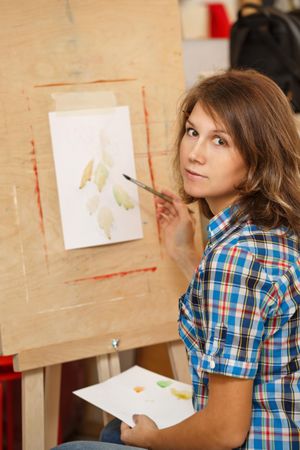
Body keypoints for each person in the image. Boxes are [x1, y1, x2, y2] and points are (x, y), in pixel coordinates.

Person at [52, 69, 300, 450]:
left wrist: (154, 439)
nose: (195, 153)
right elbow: (246, 313)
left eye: (220, 140)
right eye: (192, 131)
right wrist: (186, 254)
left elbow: (224, 432)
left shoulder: (235, 259)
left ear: (257, 157)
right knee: (110, 432)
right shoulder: (275, 229)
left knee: (72, 448)